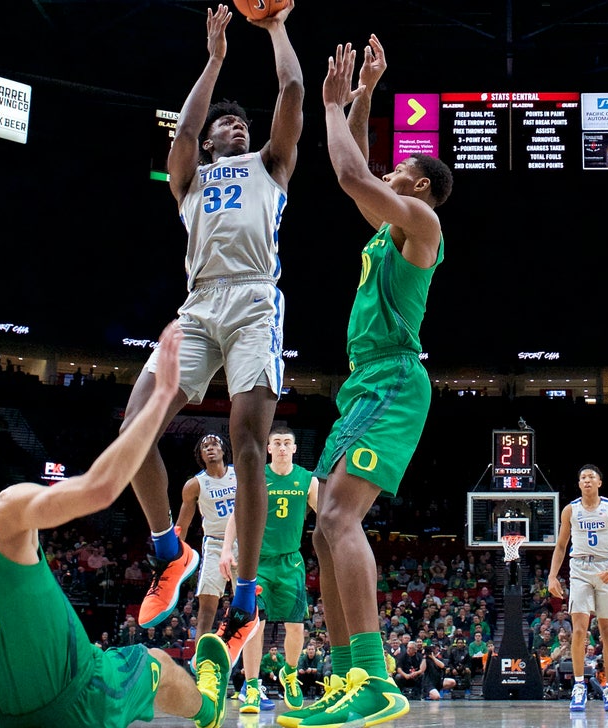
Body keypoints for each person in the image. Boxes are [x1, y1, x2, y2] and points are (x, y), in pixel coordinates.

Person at [0, 322, 233, 728]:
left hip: (1, 722)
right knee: (156, 663)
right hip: (82, 699)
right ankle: (210, 708)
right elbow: (100, 488)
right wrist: (162, 398)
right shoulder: (1, 515)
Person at [123, 2, 304, 670]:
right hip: (198, 305)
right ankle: (168, 551)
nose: (235, 125)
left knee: (248, 446)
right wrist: (216, 57)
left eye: (241, 122)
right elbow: (185, 128)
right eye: (225, 124)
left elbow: (292, 92)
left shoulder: (270, 165)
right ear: (209, 141)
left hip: (255, 300)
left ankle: (246, 598)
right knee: (134, 427)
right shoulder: (189, 177)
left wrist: (275, 29)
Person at [281, 36, 452, 728]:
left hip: (395, 380)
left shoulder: (421, 223)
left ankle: (376, 679)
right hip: (364, 385)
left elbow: (352, 174)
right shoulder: (387, 229)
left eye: (400, 168)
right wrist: (367, 94)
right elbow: (357, 163)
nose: (389, 170)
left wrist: (329, 105)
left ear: (419, 185)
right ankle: (350, 674)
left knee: (338, 518)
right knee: (322, 531)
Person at [222, 426, 318, 714]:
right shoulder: (257, 477)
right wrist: (226, 549)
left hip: (291, 562)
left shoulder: (308, 480)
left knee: (296, 627)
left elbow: (327, 517)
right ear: (268, 448)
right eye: (277, 443)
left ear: (295, 448)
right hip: (258, 562)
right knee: (255, 625)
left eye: (287, 443)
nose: (282, 447)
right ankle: (252, 687)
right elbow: (237, 514)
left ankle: (290, 672)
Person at [548, 464, 608, 712]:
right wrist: (552, 576)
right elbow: (561, 546)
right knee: (579, 630)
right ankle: (579, 686)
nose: (586, 480)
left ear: (599, 482)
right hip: (579, 569)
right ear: (579, 483)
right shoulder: (570, 510)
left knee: (607, 631)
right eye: (583, 477)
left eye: (591, 477)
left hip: (605, 567)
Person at [176, 433, 238, 637]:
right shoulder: (195, 484)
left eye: (214, 444)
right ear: (200, 455)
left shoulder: (239, 474)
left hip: (243, 542)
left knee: (248, 604)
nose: (210, 448)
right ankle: (200, 653)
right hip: (215, 543)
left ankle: (246, 653)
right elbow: (182, 525)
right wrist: (174, 557)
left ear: (224, 450)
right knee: (207, 607)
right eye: (205, 446)